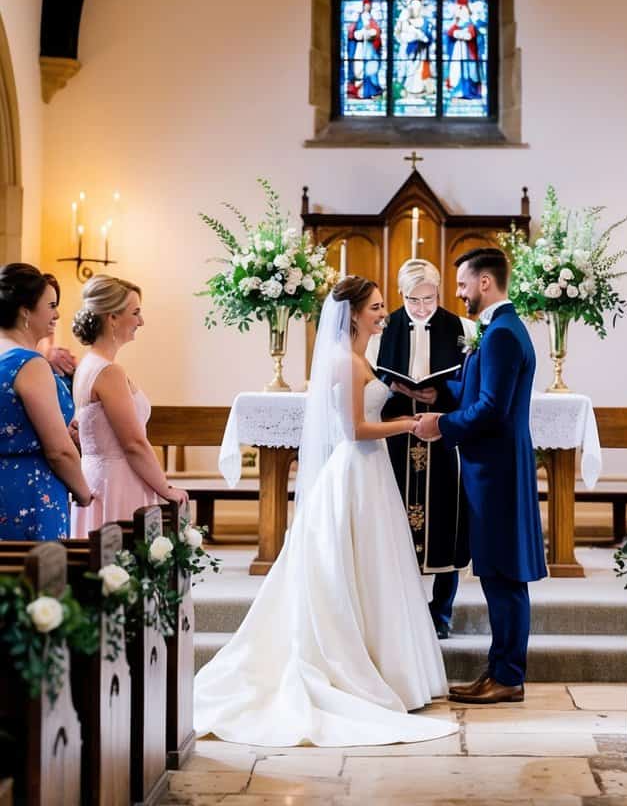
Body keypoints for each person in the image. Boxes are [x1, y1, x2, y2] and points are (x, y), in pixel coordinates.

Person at [194, 277, 457, 747]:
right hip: (355, 472)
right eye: (377, 307)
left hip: (371, 474)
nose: (384, 315)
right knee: (353, 569)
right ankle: (359, 665)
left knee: (376, 570)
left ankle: (390, 668)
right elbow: (354, 430)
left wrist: (407, 404)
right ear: (354, 313)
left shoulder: (360, 359)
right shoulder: (343, 362)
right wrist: (411, 425)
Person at [414, 248, 546, 705]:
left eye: (463, 283)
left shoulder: (504, 334)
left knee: (504, 575)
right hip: (492, 469)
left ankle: (508, 675)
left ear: (485, 282)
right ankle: (501, 669)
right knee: (496, 572)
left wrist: (442, 425)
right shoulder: (497, 330)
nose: (458, 292)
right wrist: (438, 391)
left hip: (498, 474)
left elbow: (492, 409)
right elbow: (482, 388)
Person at [377, 259, 469, 638]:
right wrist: (394, 385)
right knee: (397, 517)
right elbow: (373, 373)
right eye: (413, 300)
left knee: (447, 520)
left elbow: (468, 377)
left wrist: (441, 391)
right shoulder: (387, 324)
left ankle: (441, 612)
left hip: (443, 434)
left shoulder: (456, 326)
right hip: (398, 433)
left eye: (428, 298)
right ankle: (403, 610)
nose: (421, 307)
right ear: (402, 296)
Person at [70, 275, 188, 536]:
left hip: (98, 476)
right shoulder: (108, 372)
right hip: (116, 483)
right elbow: (133, 443)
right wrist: (165, 489)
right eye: (135, 313)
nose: (141, 321)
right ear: (112, 317)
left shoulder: (87, 364)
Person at [0, 263, 92, 538]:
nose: (57, 314)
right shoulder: (29, 364)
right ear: (25, 311)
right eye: (51, 305)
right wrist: (84, 492)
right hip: (31, 491)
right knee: (37, 578)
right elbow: (58, 452)